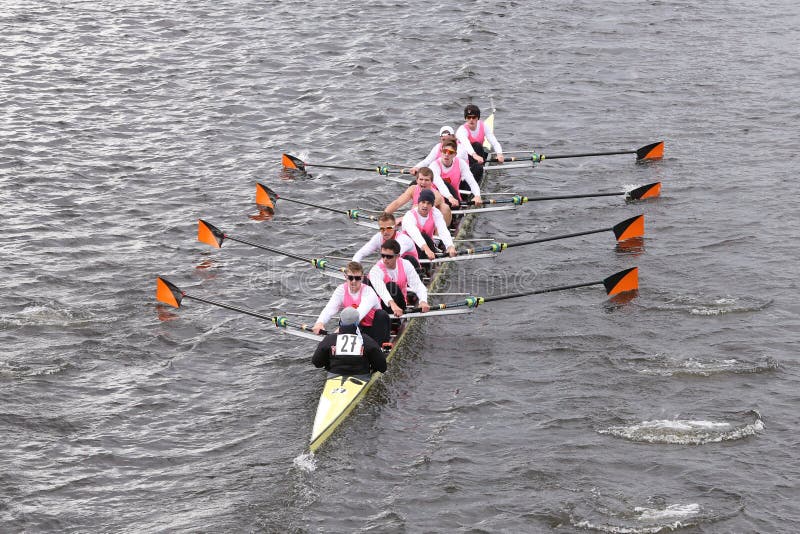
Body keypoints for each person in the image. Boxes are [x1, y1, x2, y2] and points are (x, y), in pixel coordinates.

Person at [312, 261, 391, 345]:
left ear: (362, 278)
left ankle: (380, 348)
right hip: (358, 327)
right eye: (350, 278)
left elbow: (359, 313)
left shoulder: (368, 291)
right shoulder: (341, 290)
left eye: (357, 278)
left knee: (381, 314)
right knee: (346, 318)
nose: (353, 281)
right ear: (345, 277)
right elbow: (329, 309)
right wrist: (319, 323)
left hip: (375, 328)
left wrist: (338, 332)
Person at [312, 307, 387, 376]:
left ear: (340, 322)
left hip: (334, 374)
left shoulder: (329, 339)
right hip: (361, 376)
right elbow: (382, 367)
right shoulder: (367, 341)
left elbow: (317, 362)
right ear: (357, 322)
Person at [367, 239, 431, 318]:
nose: (385, 259)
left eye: (389, 256)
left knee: (392, 287)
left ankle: (395, 323)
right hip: (380, 307)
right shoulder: (376, 270)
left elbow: (418, 285)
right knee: (367, 282)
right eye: (383, 255)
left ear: (397, 256)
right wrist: (392, 304)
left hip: (400, 305)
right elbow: (381, 290)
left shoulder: (406, 264)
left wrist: (423, 301)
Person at [400, 188, 457, 261]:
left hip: (426, 246)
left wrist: (450, 246)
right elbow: (415, 234)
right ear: (418, 203)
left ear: (432, 205)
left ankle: (426, 267)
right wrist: (426, 249)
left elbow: (443, 230)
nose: (425, 206)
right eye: (423, 202)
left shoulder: (435, 213)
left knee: (426, 238)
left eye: (428, 203)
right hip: (408, 247)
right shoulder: (409, 216)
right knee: (422, 236)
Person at [351, 212, 421, 270]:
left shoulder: (403, 240)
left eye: (389, 228)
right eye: (382, 229)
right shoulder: (378, 237)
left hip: (412, 269)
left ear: (395, 227)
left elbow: (392, 257)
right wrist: (354, 267)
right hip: (393, 268)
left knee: (390, 260)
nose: (385, 232)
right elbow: (360, 253)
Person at [384, 167, 453, 225]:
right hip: (420, 217)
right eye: (421, 179)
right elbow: (397, 203)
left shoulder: (435, 194)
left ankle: (437, 238)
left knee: (444, 207)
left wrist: (402, 219)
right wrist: (384, 216)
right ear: (417, 180)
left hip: (434, 221)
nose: (423, 182)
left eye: (426, 180)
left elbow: (422, 209)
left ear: (431, 182)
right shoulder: (413, 189)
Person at [455, 104, 504, 181]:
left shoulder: (484, 126)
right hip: (463, 157)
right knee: (477, 145)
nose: (471, 120)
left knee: (478, 146)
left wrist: (499, 154)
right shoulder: (461, 130)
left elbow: (494, 142)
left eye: (474, 117)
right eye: (468, 117)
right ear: (465, 118)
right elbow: (466, 144)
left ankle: (478, 169)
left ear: (478, 118)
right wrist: (475, 155)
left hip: (476, 155)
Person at [430, 139, 483, 207]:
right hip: (436, 198)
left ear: (455, 154)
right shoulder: (434, 165)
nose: (446, 154)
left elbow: (471, 181)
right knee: (443, 183)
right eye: (444, 151)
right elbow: (440, 184)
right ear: (441, 152)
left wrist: (477, 195)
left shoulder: (461, 163)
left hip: (453, 199)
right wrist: (449, 197)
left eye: (450, 152)